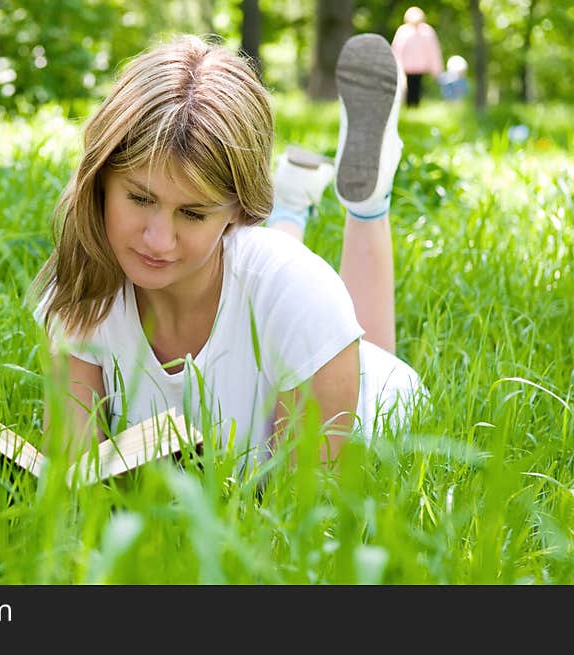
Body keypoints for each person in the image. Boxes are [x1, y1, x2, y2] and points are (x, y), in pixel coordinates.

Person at [31, 33, 425, 474]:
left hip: (369, 387)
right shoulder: (86, 292)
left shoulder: (305, 301)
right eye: (140, 200)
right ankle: (292, 203)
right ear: (100, 179)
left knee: (324, 316)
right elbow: (72, 472)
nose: (158, 240)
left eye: (193, 214)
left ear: (239, 210)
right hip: (259, 295)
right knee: (266, 280)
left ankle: (367, 206)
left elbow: (303, 510)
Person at [391, 6, 444, 107]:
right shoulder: (403, 31)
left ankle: (415, 105)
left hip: (420, 67)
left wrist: (437, 70)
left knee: (417, 87)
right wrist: (396, 65)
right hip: (406, 67)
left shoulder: (427, 31)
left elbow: (433, 51)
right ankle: (409, 105)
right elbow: (397, 50)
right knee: (408, 87)